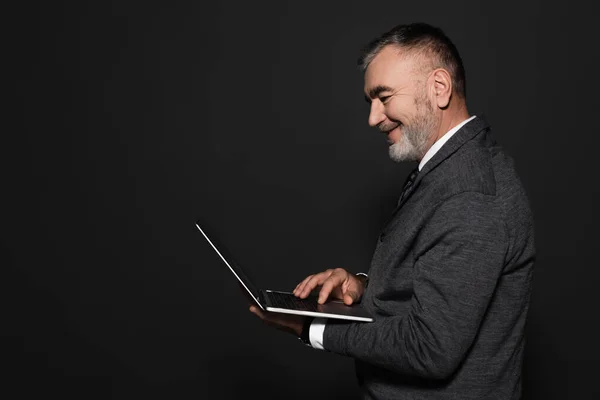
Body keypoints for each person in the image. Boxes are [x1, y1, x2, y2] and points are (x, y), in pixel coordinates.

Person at [249, 22, 535, 399]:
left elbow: (431, 346)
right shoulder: (447, 168)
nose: (373, 117)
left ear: (439, 88)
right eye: (370, 101)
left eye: (383, 97)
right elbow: (432, 285)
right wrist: (363, 288)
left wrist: (309, 329)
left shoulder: (470, 194)